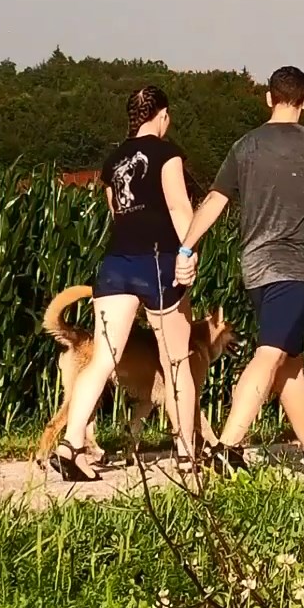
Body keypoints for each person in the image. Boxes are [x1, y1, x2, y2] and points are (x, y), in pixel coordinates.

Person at [174, 65, 304, 476]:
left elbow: (215, 202)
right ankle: (227, 444)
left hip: (254, 270)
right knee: (271, 353)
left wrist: (187, 246)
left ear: (268, 98)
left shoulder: (244, 146)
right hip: (292, 269)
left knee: (290, 358)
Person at [48, 85, 206, 482]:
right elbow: (177, 205)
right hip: (159, 262)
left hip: (117, 265)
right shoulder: (167, 154)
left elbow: (118, 215)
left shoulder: (112, 162)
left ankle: (70, 446)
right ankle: (187, 453)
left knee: (103, 359)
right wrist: (188, 254)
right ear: (163, 115)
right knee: (176, 363)